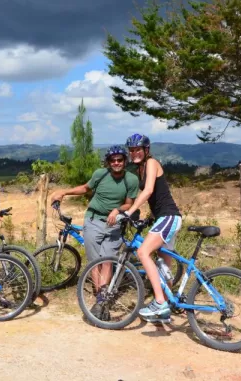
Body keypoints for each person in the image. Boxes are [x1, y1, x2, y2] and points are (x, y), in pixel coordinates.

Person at [50, 145, 139, 320]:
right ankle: (101, 297)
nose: (116, 163)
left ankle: (102, 299)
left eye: (120, 160)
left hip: (114, 223)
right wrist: (64, 192)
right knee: (95, 261)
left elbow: (130, 203)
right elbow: (85, 188)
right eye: (112, 160)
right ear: (108, 162)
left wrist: (117, 210)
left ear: (124, 161)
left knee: (107, 261)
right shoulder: (101, 174)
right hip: (94, 220)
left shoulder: (131, 179)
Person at [117, 134, 182, 322]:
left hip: (169, 217)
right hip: (164, 218)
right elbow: (158, 198)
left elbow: (149, 191)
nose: (134, 153)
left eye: (138, 149)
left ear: (146, 150)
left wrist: (130, 212)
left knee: (143, 252)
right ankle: (167, 306)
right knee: (164, 266)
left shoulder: (152, 163)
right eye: (131, 150)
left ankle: (160, 302)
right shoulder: (140, 169)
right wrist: (148, 217)